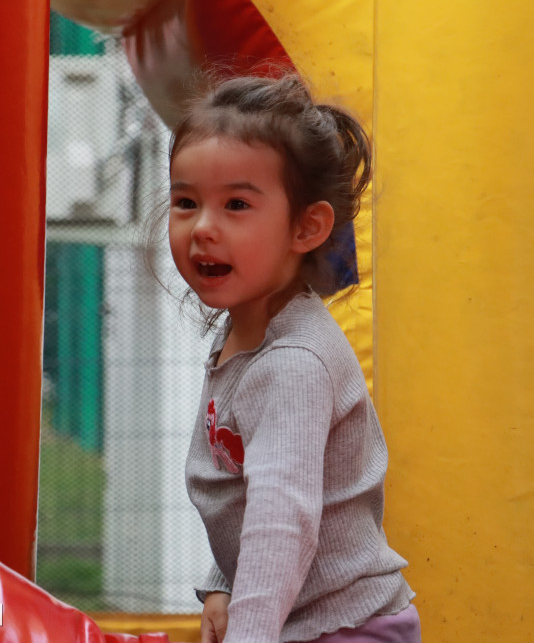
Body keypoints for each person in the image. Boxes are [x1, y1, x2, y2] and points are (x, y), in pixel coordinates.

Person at [167, 73, 419, 643]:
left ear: (307, 227)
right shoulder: (245, 334)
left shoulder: (293, 364)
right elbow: (246, 487)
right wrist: (223, 583)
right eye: (186, 202)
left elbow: (283, 520)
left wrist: (249, 636)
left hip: (345, 629)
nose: (203, 228)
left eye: (236, 205)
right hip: (303, 622)